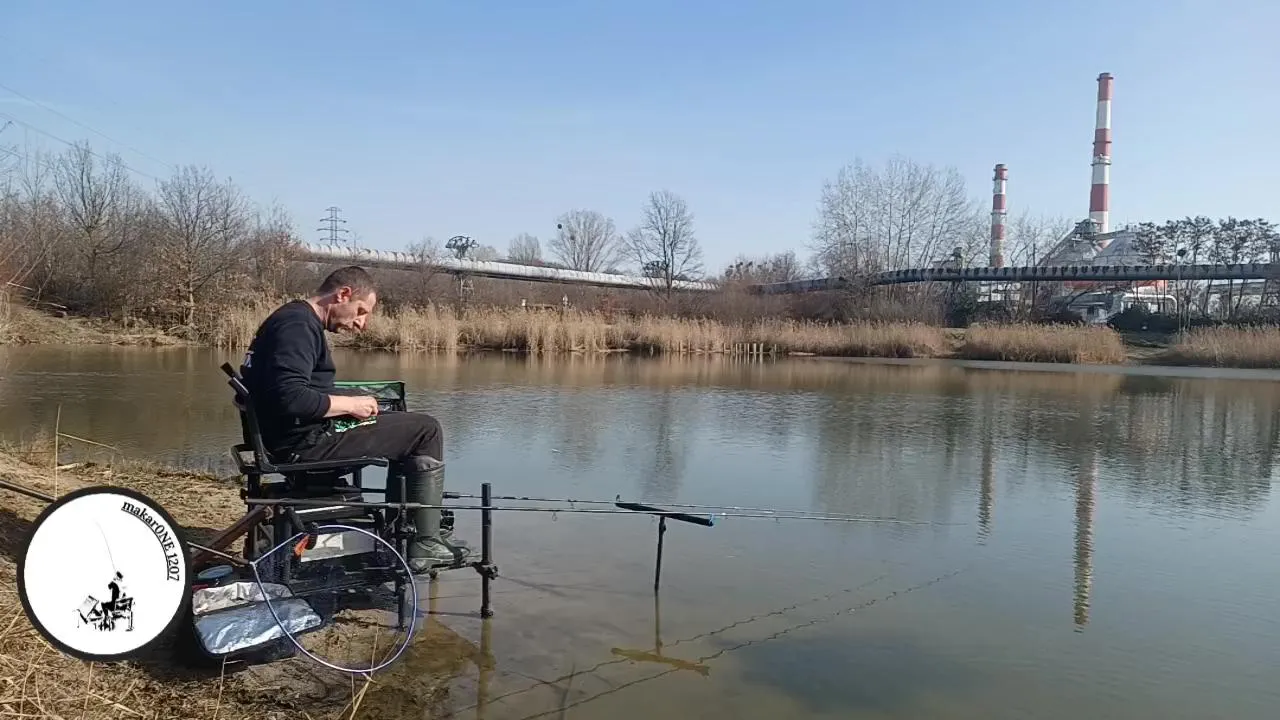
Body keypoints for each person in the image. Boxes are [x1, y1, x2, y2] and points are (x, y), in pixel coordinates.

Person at [239, 265, 470, 573]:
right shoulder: (298, 326)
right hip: (305, 444)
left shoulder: (291, 319)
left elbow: (290, 390)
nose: (361, 323)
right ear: (343, 294)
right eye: (361, 311)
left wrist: (350, 402)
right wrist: (349, 403)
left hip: (295, 435)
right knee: (425, 430)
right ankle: (423, 542)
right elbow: (290, 397)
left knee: (402, 423)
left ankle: (408, 532)